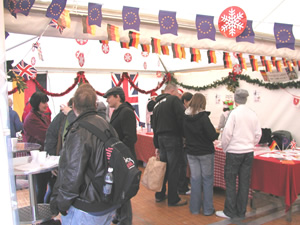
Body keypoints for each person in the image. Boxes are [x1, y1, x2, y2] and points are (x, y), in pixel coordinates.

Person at [50, 83, 119, 225]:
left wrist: (62, 203)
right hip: (107, 199)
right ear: (95, 105)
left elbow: (73, 173)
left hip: (86, 206)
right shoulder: (107, 126)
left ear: (73, 106)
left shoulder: (78, 132)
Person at [216, 89, 262, 219]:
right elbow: (258, 134)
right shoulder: (253, 114)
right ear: (246, 99)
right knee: (244, 182)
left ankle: (229, 211)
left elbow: (227, 134)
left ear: (235, 99)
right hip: (248, 152)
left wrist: (225, 148)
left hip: (234, 152)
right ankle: (241, 211)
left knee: (230, 182)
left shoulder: (233, 114)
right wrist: (250, 144)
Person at [103, 86, 137, 225]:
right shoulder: (118, 111)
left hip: (123, 157)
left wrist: (118, 151)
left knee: (123, 191)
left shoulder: (126, 112)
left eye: (109, 97)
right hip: (118, 156)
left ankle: (125, 220)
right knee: (117, 189)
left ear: (118, 96)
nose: (107, 100)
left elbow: (130, 138)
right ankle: (119, 216)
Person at [152, 83, 187, 206]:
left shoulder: (156, 104)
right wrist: (184, 136)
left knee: (164, 167)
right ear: (172, 91)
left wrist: (156, 144)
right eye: (177, 93)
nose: (178, 95)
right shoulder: (173, 100)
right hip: (172, 138)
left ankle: (160, 194)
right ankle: (173, 198)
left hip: (161, 139)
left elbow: (154, 126)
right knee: (173, 169)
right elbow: (182, 118)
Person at [183, 93, 218, 215]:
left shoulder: (185, 116)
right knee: (207, 180)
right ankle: (208, 209)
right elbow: (212, 135)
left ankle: (194, 208)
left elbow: (183, 134)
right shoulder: (203, 117)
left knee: (195, 179)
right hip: (205, 152)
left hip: (191, 152)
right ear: (202, 103)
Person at [44, 98, 76, 203]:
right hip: (63, 162)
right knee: (56, 191)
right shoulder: (62, 117)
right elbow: (51, 138)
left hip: (69, 164)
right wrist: (52, 161)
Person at [23, 92, 51, 203]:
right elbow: (46, 134)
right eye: (43, 102)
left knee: (44, 187)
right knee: (40, 189)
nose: (46, 105)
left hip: (42, 157)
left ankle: (45, 214)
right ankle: (40, 217)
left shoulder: (41, 116)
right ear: (36, 103)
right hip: (37, 159)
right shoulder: (31, 119)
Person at [177, 91, 193, 195]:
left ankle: (181, 186)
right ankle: (182, 187)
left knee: (181, 166)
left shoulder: (181, 109)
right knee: (182, 166)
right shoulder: (183, 111)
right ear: (185, 101)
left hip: (180, 142)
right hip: (182, 143)